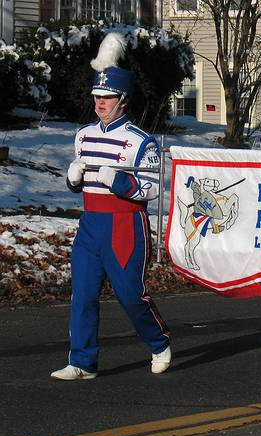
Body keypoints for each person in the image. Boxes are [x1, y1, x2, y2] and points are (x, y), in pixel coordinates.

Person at [52, 33, 171, 380]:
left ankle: (159, 341)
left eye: (107, 97)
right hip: (91, 223)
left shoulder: (140, 140)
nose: (100, 103)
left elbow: (150, 190)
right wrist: (73, 179)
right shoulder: (84, 135)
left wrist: (117, 180)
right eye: (97, 97)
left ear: (123, 100)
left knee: (130, 295)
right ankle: (82, 361)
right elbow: (81, 185)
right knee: (83, 294)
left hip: (124, 225)